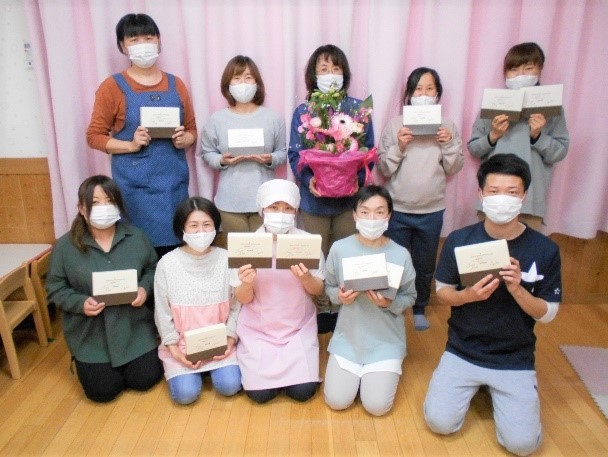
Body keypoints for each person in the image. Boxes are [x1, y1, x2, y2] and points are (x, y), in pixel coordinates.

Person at [424, 154, 562, 456]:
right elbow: (443, 292)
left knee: (522, 445)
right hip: (463, 349)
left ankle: (500, 391)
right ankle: (472, 386)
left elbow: (548, 313)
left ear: (523, 197)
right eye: (494, 191)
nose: (503, 199)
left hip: (514, 357)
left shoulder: (545, 249)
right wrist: (468, 296)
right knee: (439, 422)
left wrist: (517, 289)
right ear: (481, 194)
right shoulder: (459, 240)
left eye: (512, 192)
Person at [86, 13, 197, 257]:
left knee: (176, 252)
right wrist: (131, 145)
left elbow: (192, 131)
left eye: (148, 38)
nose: (143, 44)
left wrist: (184, 139)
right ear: (122, 46)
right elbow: (94, 136)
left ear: (158, 41)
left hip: (173, 187)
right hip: (134, 190)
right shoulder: (112, 87)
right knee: (140, 253)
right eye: (134, 39)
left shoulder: (176, 84)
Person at [46, 175, 162, 402]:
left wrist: (144, 289)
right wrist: (80, 303)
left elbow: (153, 269)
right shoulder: (65, 246)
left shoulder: (137, 237)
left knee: (145, 380)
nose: (103, 208)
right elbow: (55, 288)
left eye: (109, 201)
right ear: (81, 209)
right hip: (91, 335)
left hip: (134, 328)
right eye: (95, 202)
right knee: (102, 392)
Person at [288, 44, 375, 333]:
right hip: (315, 200)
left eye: (335, 68)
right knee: (318, 255)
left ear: (344, 73)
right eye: (323, 69)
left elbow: (368, 152)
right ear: (313, 76)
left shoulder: (358, 110)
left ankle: (343, 306)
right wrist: (308, 180)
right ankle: (323, 306)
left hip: (349, 200)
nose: (330, 74)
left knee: (346, 254)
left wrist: (357, 180)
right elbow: (295, 154)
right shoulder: (304, 111)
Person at [378, 67, 463, 331]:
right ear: (409, 94)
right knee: (393, 261)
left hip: (432, 210)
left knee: (425, 264)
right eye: (417, 89)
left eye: (429, 89)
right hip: (398, 208)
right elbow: (384, 168)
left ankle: (419, 307)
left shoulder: (447, 126)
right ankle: (391, 305)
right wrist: (400, 146)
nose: (423, 94)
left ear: (437, 94)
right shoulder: (395, 125)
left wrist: (447, 144)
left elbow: (454, 167)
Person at [323, 185, 416, 416]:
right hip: (348, 339)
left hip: (386, 342)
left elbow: (410, 296)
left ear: (389, 216)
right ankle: (357, 379)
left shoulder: (400, 254)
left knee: (376, 407)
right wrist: (339, 297)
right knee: (336, 401)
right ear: (355, 215)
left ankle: (373, 377)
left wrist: (389, 304)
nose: (371, 219)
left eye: (379, 212)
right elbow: (329, 287)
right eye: (365, 212)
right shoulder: (340, 249)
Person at [233, 179, 326, 403]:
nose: (281, 214)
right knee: (260, 395)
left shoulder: (307, 243)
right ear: (262, 210)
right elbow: (242, 298)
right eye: (274, 207)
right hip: (258, 331)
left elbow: (318, 290)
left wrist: (306, 278)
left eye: (288, 208)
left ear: (296, 211)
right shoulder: (247, 244)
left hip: (297, 329)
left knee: (303, 393)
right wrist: (246, 284)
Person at [468, 42, 569, 229]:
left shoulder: (552, 108)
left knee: (527, 245)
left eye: (528, 68)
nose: (520, 75)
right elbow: (473, 148)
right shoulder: (492, 104)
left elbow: (560, 152)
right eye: (514, 69)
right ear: (505, 73)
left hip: (530, 200)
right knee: (489, 245)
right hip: (492, 197)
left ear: (540, 69)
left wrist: (538, 136)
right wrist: (493, 136)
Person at [154, 197, 242, 405]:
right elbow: (162, 312)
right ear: (182, 228)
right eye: (193, 226)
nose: (201, 231)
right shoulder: (167, 264)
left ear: (215, 226)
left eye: (206, 224)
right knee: (186, 395)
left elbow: (237, 306)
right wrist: (175, 351)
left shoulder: (228, 258)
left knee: (230, 386)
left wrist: (230, 338)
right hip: (182, 346)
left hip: (221, 344)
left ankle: (212, 371)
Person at [200, 55, 287, 234]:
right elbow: (207, 152)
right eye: (237, 78)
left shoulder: (273, 118)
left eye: (248, 77)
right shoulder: (217, 119)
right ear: (228, 84)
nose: (243, 83)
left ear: (257, 83)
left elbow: (282, 152)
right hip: (229, 201)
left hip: (266, 201)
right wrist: (221, 160)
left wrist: (270, 159)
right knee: (236, 250)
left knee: (265, 249)